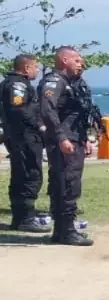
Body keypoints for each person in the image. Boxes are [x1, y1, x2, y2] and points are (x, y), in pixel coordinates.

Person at [38, 46, 95, 246]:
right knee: (67, 183)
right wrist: (62, 137)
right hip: (63, 141)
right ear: (64, 60)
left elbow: (77, 114)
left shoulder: (72, 84)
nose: (81, 64)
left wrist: (85, 137)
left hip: (74, 138)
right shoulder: (54, 82)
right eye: (77, 60)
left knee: (66, 182)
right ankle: (66, 231)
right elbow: (47, 110)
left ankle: (62, 230)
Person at [1, 53, 49, 233]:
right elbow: (18, 108)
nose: (37, 70)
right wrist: (39, 125)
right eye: (35, 67)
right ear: (27, 67)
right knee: (30, 174)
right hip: (24, 136)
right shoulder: (18, 85)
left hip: (21, 136)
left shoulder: (15, 83)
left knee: (23, 174)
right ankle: (25, 218)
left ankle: (20, 217)